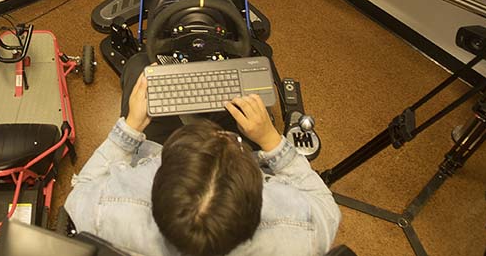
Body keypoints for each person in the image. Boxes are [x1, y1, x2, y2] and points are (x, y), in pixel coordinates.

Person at [64, 54, 341, 256]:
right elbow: (327, 210)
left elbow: (80, 193)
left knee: (138, 63)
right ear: (258, 201)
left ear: (154, 185)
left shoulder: (109, 210)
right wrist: (270, 140)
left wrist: (130, 127)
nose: (223, 135)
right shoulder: (297, 231)